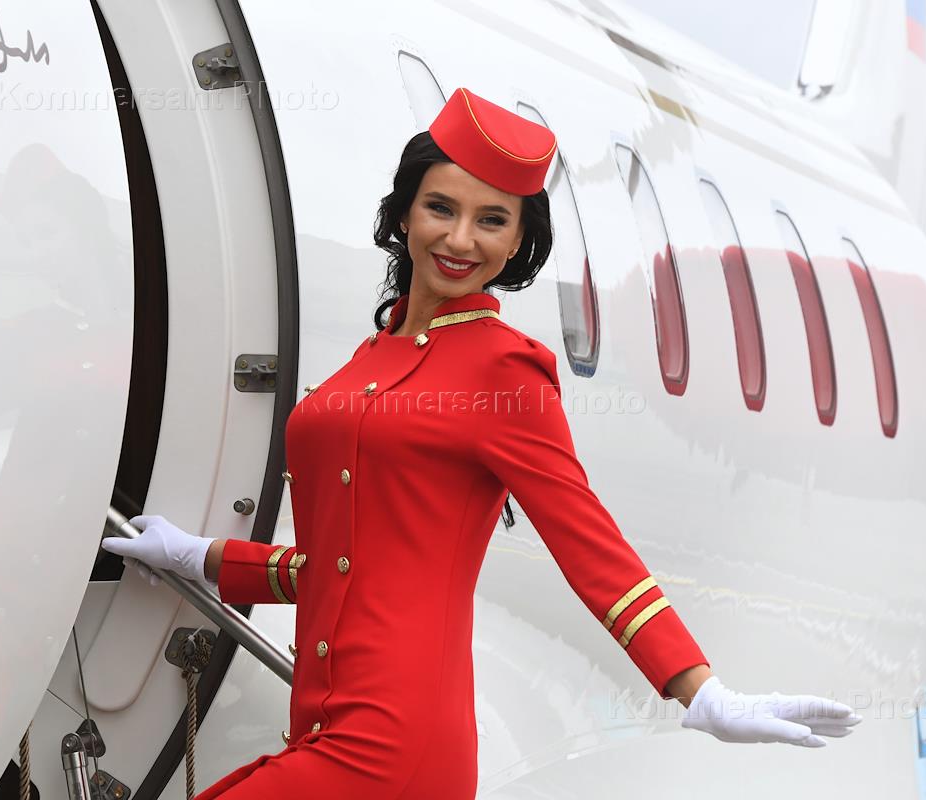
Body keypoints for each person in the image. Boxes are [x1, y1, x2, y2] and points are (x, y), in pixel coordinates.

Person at [104, 87, 861, 799]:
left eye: (492, 220)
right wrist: (197, 556)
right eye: (441, 208)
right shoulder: (369, 360)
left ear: (519, 240)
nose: (460, 239)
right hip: (328, 732)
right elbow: (338, 571)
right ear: (405, 213)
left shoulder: (505, 371)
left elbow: (589, 546)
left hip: (397, 744)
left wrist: (699, 690)